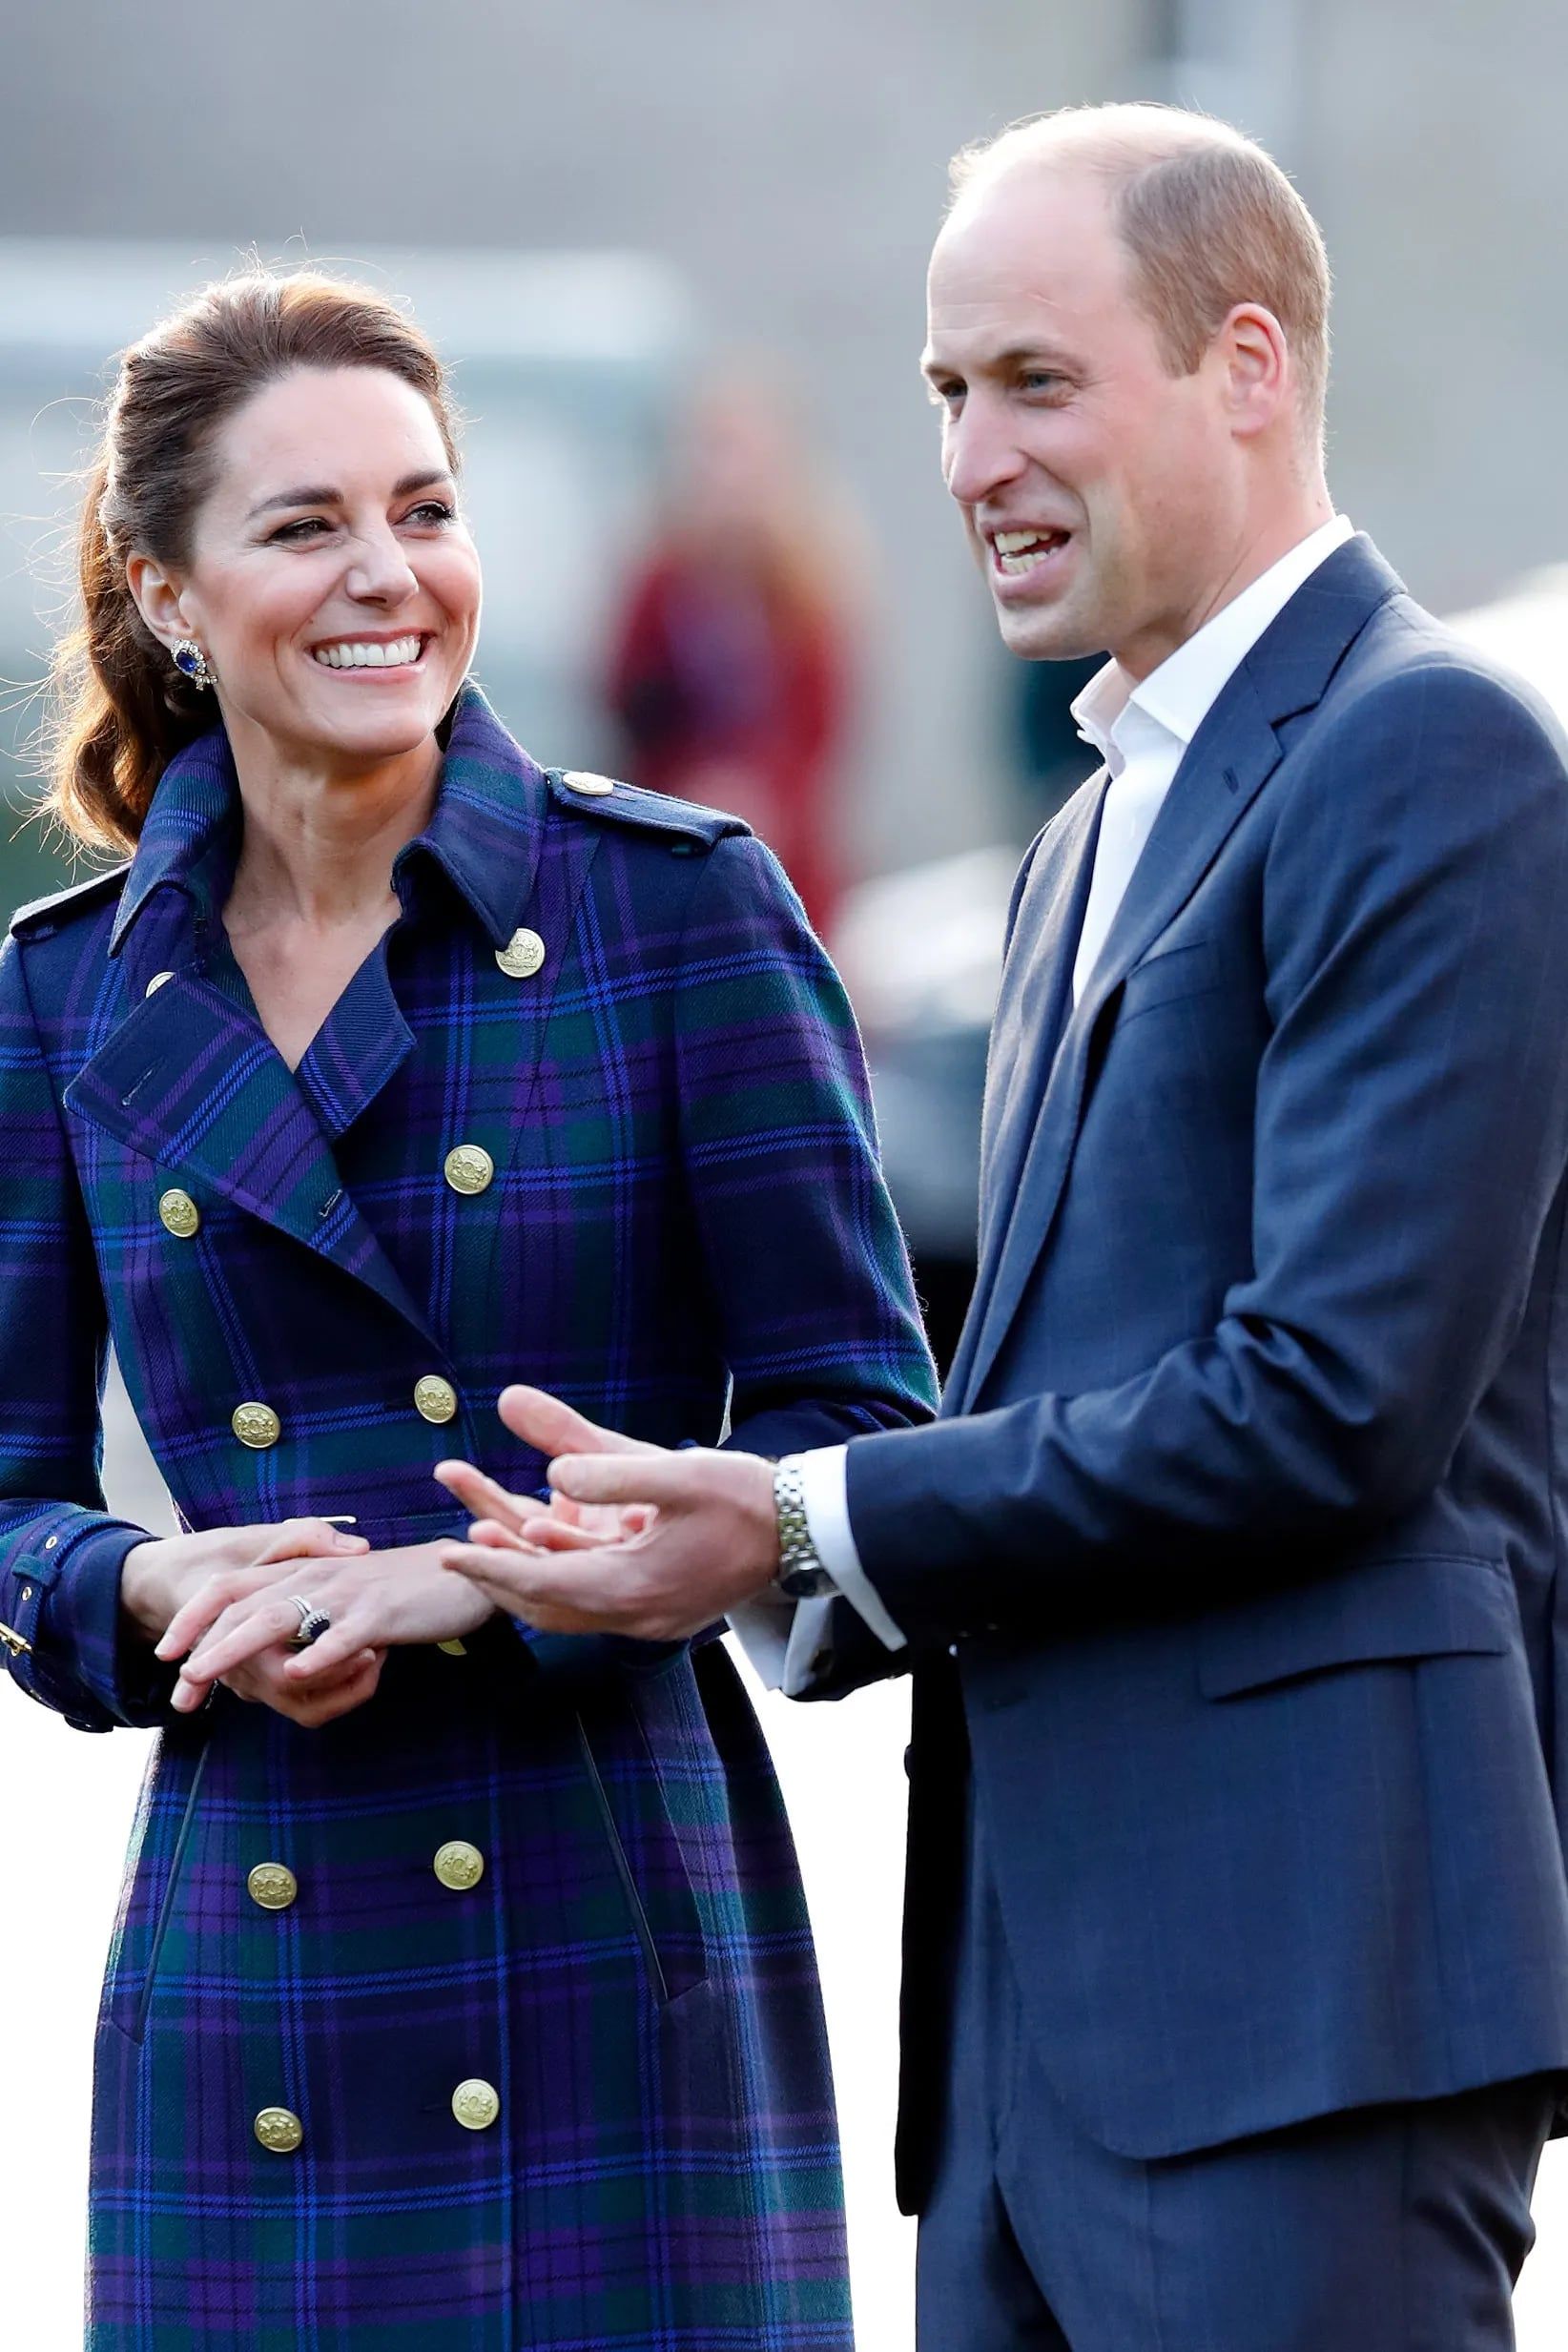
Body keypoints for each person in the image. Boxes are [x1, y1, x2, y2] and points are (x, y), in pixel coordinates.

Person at [434, 103, 1568, 2352]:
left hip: (1297, 2022)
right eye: (944, 393)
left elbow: (1322, 1401)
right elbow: (1067, 1402)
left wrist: (795, 1519)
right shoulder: (1080, 840)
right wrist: (727, 1549)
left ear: (1244, 366)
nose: (967, 458)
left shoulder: (1429, 757)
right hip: (1028, 2042)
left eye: (1031, 382)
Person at [0, 267, 937, 2350]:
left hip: (599, 1917)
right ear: (166, 590)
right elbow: (4, 1499)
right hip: (256, 1960)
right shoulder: (66, 994)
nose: (387, 576)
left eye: (425, 511)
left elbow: (858, 1433)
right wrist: (145, 1589)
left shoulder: (678, 913)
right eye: (307, 523)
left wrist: (507, 1573)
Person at [604, 374, 856, 936]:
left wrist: (758, 794)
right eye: (715, 452)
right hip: (671, 840)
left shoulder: (808, 591)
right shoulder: (661, 581)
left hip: (781, 856)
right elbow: (627, 704)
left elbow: (819, 732)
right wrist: (691, 786)